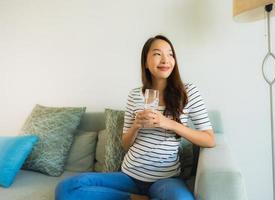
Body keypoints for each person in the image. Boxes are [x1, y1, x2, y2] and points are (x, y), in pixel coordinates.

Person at [55, 35, 215, 200]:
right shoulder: (135, 95)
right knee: (66, 189)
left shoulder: (188, 93)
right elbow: (125, 144)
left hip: (165, 180)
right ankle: (133, 198)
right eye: (157, 54)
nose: (165, 59)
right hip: (129, 176)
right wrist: (136, 125)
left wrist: (169, 123)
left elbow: (209, 139)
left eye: (170, 54)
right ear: (145, 63)